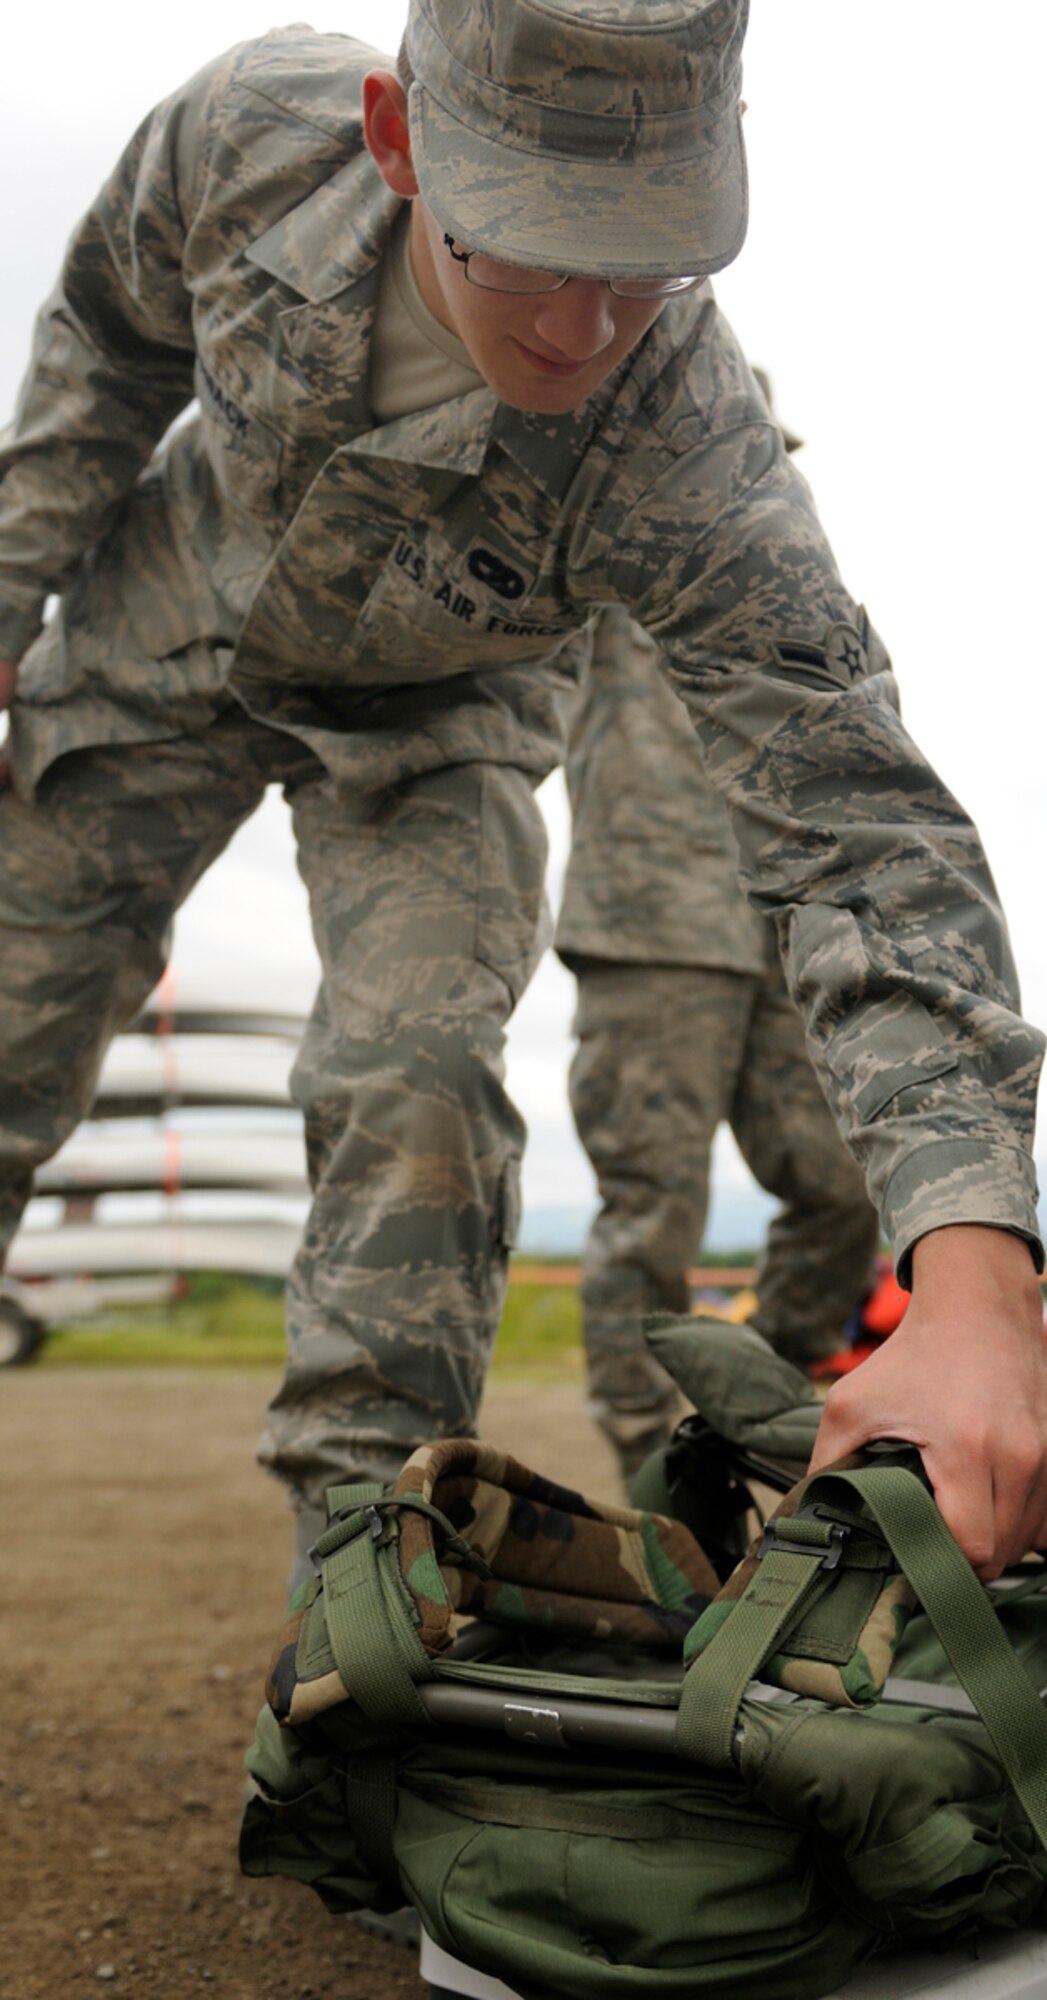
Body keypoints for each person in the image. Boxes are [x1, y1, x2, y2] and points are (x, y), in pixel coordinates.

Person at [0, 0, 1044, 1580]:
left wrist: (974, 1274)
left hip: (439, 721)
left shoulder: (688, 441)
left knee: (414, 1084)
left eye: (643, 265)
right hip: (163, 640)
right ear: (398, 138)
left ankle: (359, 1596)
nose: (580, 329)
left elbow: (854, 821)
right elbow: (105, 340)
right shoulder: (252, 139)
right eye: (527, 253)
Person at [557, 604, 881, 1480]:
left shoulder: (779, 555)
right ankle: (649, 1469)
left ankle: (750, 1422)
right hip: (651, 925)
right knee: (651, 1210)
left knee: (845, 1187)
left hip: (784, 925)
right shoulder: (605, 563)